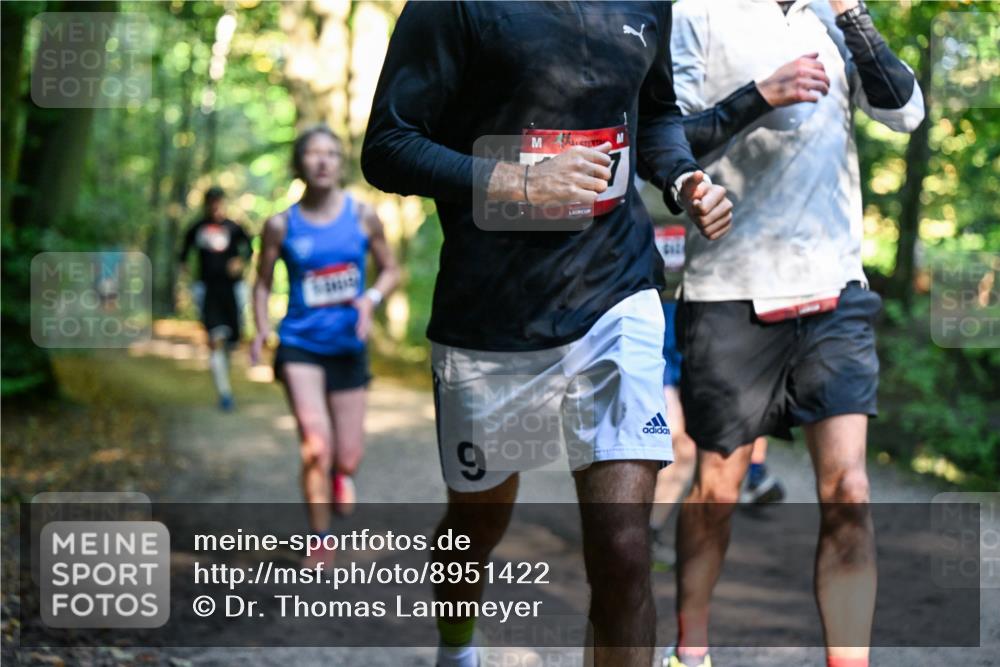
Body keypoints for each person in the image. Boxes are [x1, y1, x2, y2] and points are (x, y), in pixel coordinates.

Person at [361, 3, 733, 666]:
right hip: (493, 318)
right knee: (476, 525)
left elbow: (654, 114)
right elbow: (388, 144)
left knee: (622, 547)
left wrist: (681, 175)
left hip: (616, 293)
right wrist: (517, 180)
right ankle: (457, 645)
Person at [665, 1, 925, 666]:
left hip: (832, 288)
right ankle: (689, 646)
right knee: (717, 489)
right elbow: (669, 140)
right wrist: (760, 95)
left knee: (850, 489)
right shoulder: (696, 12)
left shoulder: (836, 18)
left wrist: (855, 16)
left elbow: (905, 111)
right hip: (729, 289)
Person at [252, 125, 400, 567]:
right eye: (313, 154)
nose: (322, 161)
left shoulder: (363, 217)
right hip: (300, 345)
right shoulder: (280, 224)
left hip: (349, 348)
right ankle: (320, 538)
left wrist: (370, 300)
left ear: (340, 163)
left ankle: (342, 474)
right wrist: (261, 328)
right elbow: (260, 285)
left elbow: (390, 270)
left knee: (347, 456)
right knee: (316, 446)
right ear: (299, 164)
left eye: (331, 154)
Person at [178, 186, 253, 411]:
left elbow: (249, 248)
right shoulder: (196, 228)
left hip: (233, 290)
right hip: (207, 290)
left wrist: (240, 262)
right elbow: (182, 256)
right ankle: (224, 392)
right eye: (211, 202)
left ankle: (225, 378)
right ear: (206, 204)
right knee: (214, 339)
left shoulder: (234, 227)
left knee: (231, 342)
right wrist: (189, 282)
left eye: (218, 201)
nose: (215, 206)